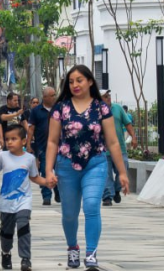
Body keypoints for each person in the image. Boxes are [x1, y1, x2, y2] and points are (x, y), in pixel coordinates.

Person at [45, 65, 129, 271]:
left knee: (92, 206)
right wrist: (48, 170)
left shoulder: (102, 108)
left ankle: (91, 253)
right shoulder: (60, 108)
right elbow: (52, 142)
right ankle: (73, 247)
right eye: (71, 81)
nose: (75, 85)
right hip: (66, 165)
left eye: (79, 80)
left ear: (90, 81)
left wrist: (122, 173)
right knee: (69, 213)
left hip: (96, 163)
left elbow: (113, 142)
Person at [0, 124, 46, 271]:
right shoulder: (3, 156)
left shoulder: (30, 158)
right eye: (7, 139)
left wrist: (47, 182)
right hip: (6, 203)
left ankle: (25, 259)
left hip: (24, 201)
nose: (9, 142)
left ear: (23, 141)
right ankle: (6, 252)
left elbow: (34, 177)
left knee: (23, 227)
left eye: (14, 139)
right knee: (7, 232)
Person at [101, 90, 136, 206]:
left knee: (123, 169)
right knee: (106, 173)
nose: (108, 98)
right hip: (103, 149)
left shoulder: (118, 109)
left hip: (120, 148)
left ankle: (116, 190)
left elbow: (127, 123)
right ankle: (107, 196)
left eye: (109, 96)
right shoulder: (96, 110)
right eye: (105, 96)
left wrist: (133, 137)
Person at [26, 86, 59, 206]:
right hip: (43, 147)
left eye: (55, 94)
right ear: (45, 97)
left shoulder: (59, 109)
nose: (55, 97)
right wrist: (28, 144)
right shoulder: (36, 111)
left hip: (61, 147)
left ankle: (58, 190)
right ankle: (46, 196)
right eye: (53, 95)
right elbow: (31, 128)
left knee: (60, 170)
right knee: (45, 170)